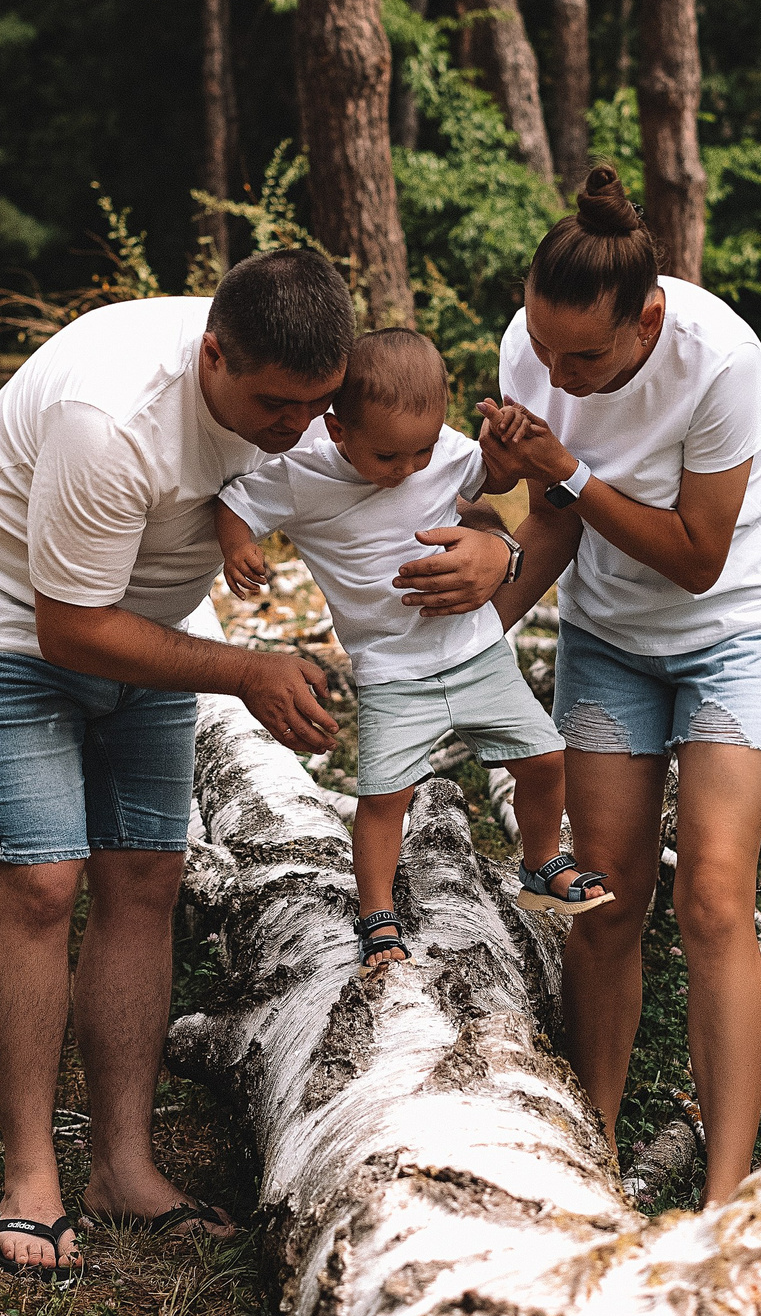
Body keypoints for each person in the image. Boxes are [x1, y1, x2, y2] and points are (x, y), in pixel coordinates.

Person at [0, 250, 514, 1285]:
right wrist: (244, 669)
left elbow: (448, 476)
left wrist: (495, 543)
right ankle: (29, 1178)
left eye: (316, 408)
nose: (297, 431)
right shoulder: (112, 421)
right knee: (43, 881)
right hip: (5, 623)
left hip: (142, 620)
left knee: (145, 877)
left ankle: (123, 1169)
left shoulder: (309, 395)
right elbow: (67, 628)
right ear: (212, 354)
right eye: (274, 408)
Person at [479, 166, 761, 1205]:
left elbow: (698, 554)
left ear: (647, 318)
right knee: (606, 899)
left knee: (713, 896)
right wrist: (470, 639)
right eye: (541, 348)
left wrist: (570, 472)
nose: (557, 373)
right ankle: (596, 1163)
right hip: (611, 637)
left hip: (734, 627)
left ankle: (723, 1198)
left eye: (584, 354)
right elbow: (551, 524)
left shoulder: (720, 361)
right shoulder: (533, 353)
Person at [214, 328, 613, 973]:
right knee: (384, 800)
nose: (407, 470)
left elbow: (496, 479)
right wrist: (238, 545)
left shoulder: (441, 451)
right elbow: (235, 501)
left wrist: (506, 448)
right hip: (393, 673)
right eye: (387, 457)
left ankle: (541, 866)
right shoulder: (303, 471)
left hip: (478, 651)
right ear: (338, 431)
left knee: (544, 760)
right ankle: (375, 911)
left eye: (421, 452)